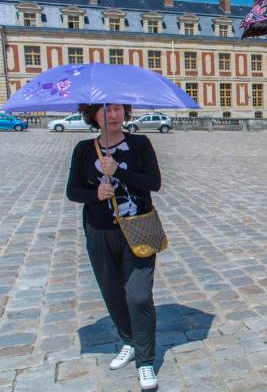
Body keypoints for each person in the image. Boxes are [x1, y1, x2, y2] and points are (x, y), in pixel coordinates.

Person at [66, 103, 161, 390]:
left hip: (138, 229)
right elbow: (73, 191)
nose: (114, 115)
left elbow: (154, 183)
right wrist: (95, 193)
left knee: (139, 296)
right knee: (113, 293)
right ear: (94, 115)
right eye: (106, 110)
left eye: (119, 109)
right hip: (100, 232)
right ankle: (130, 341)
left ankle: (145, 362)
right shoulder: (84, 150)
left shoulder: (140, 144)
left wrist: (119, 169)